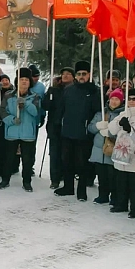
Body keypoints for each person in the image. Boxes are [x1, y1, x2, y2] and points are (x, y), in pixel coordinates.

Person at [54, 61, 99, 201]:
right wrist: (57, 124)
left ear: (89, 75)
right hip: (67, 131)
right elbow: (60, 109)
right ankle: (68, 187)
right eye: (79, 74)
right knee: (66, 161)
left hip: (84, 134)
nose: (81, 76)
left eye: (84, 74)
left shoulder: (94, 91)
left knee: (82, 164)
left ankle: (81, 191)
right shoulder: (68, 90)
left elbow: (98, 110)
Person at [109, 88, 135, 216]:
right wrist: (119, 124)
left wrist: (131, 128)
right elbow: (112, 128)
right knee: (121, 182)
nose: (132, 102)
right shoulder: (124, 113)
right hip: (122, 152)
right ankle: (121, 204)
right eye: (129, 99)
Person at [0, 68, 42, 191]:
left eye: (26, 80)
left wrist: (26, 104)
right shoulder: (8, 95)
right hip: (12, 131)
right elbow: (2, 111)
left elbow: (36, 113)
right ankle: (5, 180)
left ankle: (27, 181)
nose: (24, 82)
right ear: (17, 81)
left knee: (28, 159)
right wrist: (11, 120)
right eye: (21, 79)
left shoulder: (35, 97)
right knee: (8, 158)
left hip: (28, 133)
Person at [88, 89, 123, 204]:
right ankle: (102, 195)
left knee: (112, 176)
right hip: (99, 150)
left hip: (112, 149)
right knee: (102, 175)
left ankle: (114, 197)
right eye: (112, 98)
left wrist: (110, 132)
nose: (113, 101)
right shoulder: (101, 113)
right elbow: (91, 128)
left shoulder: (122, 115)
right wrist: (98, 126)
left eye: (117, 99)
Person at [41, 67, 74, 189]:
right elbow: (45, 106)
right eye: (63, 74)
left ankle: (65, 176)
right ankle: (54, 178)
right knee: (55, 154)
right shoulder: (54, 90)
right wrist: (50, 92)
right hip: (54, 126)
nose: (65, 76)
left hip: (69, 126)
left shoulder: (74, 90)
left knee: (66, 154)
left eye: (68, 74)